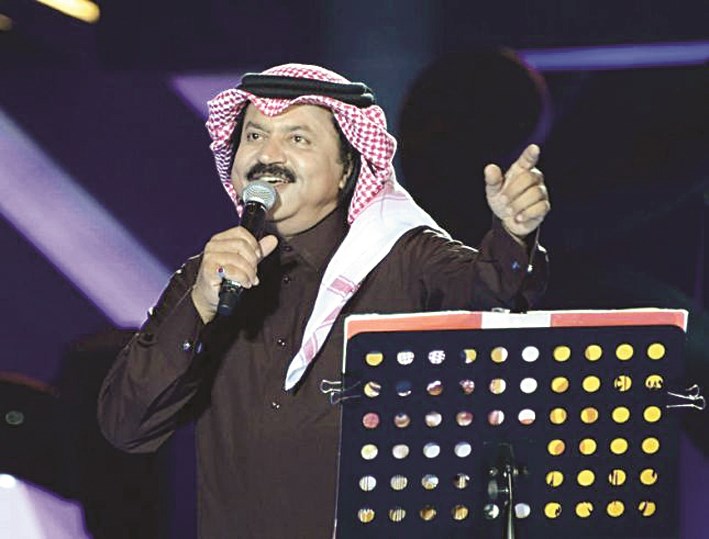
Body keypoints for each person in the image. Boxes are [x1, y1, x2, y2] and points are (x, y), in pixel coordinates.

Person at [98, 63, 551, 538]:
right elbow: (126, 425)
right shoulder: (207, 277)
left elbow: (494, 294)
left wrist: (513, 236)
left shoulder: (403, 256)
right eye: (254, 136)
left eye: (298, 139)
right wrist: (199, 309)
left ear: (347, 170)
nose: (268, 155)